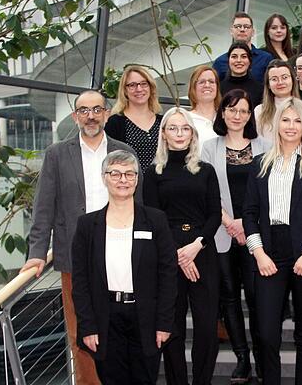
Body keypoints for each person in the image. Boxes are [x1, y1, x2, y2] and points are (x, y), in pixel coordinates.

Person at [21, 90, 140, 385]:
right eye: (84, 111)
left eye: (97, 110)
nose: (91, 116)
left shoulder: (124, 151)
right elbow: (44, 207)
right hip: (75, 257)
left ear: (107, 113)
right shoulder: (57, 153)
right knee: (82, 333)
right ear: (75, 117)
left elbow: (141, 202)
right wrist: (36, 252)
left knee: (122, 326)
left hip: (121, 252)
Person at [242, 98, 302, 385]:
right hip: (270, 253)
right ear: (276, 125)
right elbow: (249, 213)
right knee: (267, 332)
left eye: (297, 121)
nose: (291, 126)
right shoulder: (260, 163)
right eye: (286, 120)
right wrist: (258, 254)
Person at [71, 150, 177, 385]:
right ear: (104, 177)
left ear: (137, 179)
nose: (123, 180)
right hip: (105, 318)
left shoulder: (156, 220)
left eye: (130, 174)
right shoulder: (87, 225)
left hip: (146, 317)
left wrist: (164, 323)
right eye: (116, 174)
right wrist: (87, 326)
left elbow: (168, 275)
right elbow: (80, 282)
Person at [143, 107, 222, 385]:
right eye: (173, 128)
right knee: (171, 327)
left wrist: (195, 247)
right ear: (163, 134)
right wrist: (179, 254)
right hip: (168, 258)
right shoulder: (152, 173)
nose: (179, 134)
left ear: (193, 134)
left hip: (203, 252)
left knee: (206, 327)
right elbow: (153, 217)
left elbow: (215, 214)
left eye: (185, 128)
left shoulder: (206, 171)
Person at [201, 89, 272, 384]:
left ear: (249, 115)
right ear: (223, 113)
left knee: (257, 298)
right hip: (221, 233)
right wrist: (230, 222)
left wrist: (246, 223)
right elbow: (205, 192)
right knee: (229, 298)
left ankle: (261, 355)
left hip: (256, 232)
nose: (237, 115)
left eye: (243, 110)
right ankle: (242, 357)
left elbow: (270, 192)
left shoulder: (265, 146)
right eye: (231, 109)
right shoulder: (208, 147)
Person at [105, 65, 163, 167]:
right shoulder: (115, 123)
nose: (139, 89)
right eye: (132, 85)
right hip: (130, 182)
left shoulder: (162, 122)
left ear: (151, 87)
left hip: (160, 182)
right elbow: (110, 161)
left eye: (144, 84)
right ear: (125, 91)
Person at [254, 60, 302, 140]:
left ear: (293, 80)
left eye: (285, 77)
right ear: (268, 84)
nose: (280, 82)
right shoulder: (260, 111)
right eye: (274, 79)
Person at [213, 12, 274, 82]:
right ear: (231, 31)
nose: (242, 29)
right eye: (238, 26)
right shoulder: (220, 62)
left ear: (253, 32)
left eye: (246, 27)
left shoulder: (266, 58)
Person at [220, 42, 264, 108]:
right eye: (234, 57)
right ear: (228, 60)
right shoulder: (219, 89)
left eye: (244, 56)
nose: (239, 60)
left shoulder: (260, 90)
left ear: (250, 61)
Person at [187, 66, 221, 152]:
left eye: (211, 81)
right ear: (193, 87)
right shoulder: (186, 119)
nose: (207, 85)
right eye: (202, 82)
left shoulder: (226, 118)